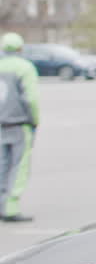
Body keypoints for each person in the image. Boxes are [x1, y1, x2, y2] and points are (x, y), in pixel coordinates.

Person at [0, 32, 40, 224]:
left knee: (2, 165)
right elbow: (31, 99)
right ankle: (10, 207)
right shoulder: (25, 68)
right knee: (19, 166)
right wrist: (35, 121)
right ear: (20, 48)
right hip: (19, 124)